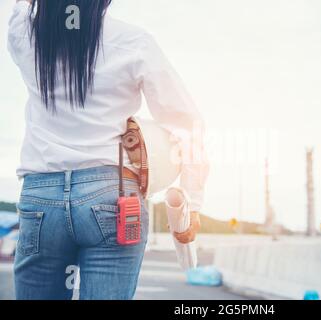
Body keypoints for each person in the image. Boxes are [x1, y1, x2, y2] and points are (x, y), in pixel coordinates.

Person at [7, 0, 208, 300]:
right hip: (112, 194)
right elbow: (187, 122)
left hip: (41, 199)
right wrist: (191, 201)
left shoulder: (24, 34)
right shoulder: (133, 41)